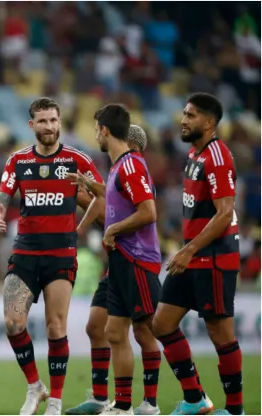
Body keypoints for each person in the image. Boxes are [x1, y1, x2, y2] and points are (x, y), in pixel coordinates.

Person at [0, 97, 103, 415]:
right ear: (32, 125)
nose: (49, 127)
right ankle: (34, 386)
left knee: (56, 328)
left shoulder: (76, 159)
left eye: (53, 120)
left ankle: (55, 400)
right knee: (13, 323)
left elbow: (104, 193)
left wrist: (82, 226)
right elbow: (1, 198)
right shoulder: (18, 161)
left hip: (60, 255)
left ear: (60, 122)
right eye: (42, 121)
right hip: (25, 252)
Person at [152, 93, 242, 415]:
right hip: (192, 255)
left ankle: (235, 410)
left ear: (209, 122)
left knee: (220, 333)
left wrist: (188, 249)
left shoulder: (217, 156)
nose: (184, 120)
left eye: (191, 115)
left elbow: (224, 213)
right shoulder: (194, 154)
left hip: (214, 256)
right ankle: (196, 399)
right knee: (161, 323)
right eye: (184, 114)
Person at [65, 125, 165, 416]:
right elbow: (108, 200)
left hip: (134, 259)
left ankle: (150, 403)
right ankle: (106, 400)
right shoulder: (119, 170)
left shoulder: (132, 168)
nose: (98, 135)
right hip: (117, 263)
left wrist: (101, 227)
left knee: (144, 331)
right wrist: (86, 186)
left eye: (101, 131)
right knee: (99, 327)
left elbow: (139, 211)